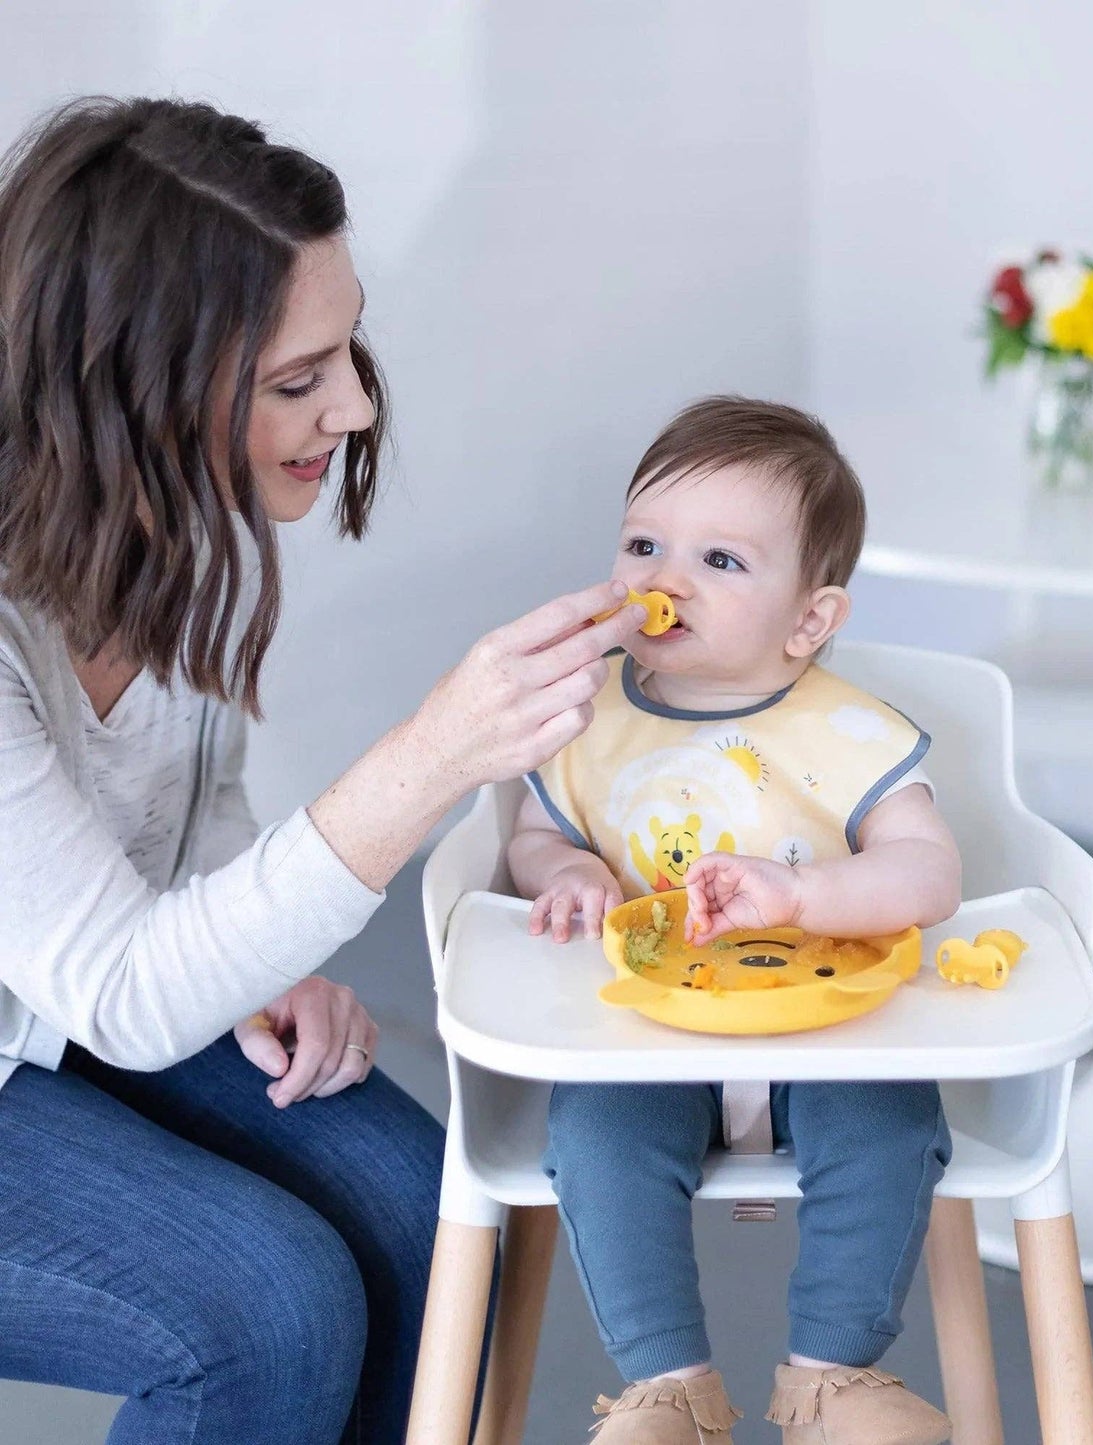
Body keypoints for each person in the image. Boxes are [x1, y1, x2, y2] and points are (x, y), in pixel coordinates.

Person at [0, 95, 644, 1444]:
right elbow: (122, 991)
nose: (351, 407)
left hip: (51, 997)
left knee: (427, 1210)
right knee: (265, 1307)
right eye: (299, 379)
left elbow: (187, 818)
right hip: (60, 1013)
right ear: (136, 385)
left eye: (347, 352)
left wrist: (261, 951)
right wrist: (429, 757)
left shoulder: (161, 525)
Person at [508, 396, 962, 1445]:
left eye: (719, 560)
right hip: (643, 1029)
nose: (662, 580)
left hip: (824, 1028)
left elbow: (927, 872)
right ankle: (668, 1389)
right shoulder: (587, 718)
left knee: (892, 1127)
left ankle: (829, 1379)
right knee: (595, 1138)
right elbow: (528, 840)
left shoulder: (846, 730)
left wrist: (805, 894)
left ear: (809, 618)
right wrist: (567, 866)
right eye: (642, 544)